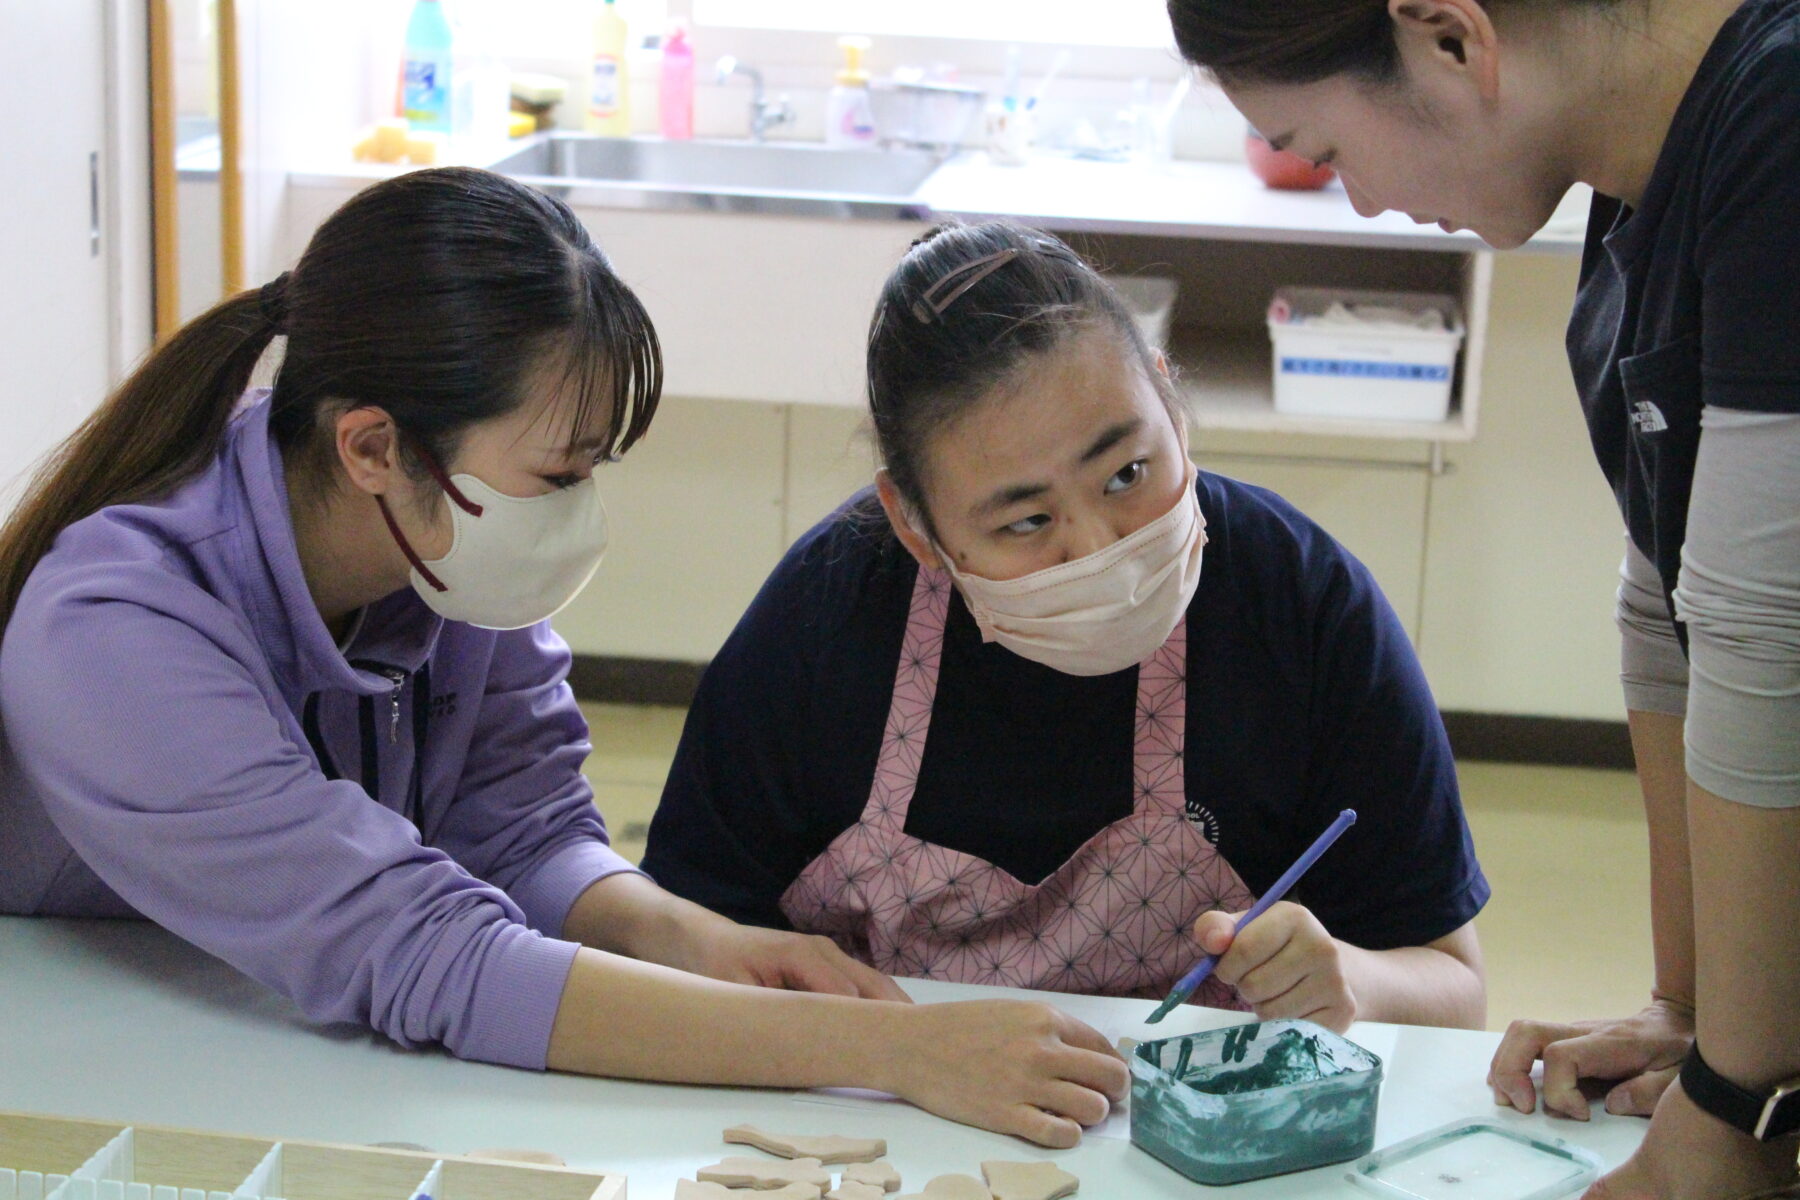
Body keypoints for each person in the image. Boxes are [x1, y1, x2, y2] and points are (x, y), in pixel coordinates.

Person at [0, 168, 1128, 1149]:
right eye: (557, 477)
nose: (581, 515)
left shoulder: (440, 560)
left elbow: (521, 829)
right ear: (374, 448)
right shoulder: (114, 633)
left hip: (246, 1034)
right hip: (70, 1060)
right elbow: (419, 952)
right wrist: (892, 1051)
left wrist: (684, 935)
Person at [1163, 0, 1800, 1194]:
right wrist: (1690, 1011)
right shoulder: (1632, 203)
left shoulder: (1780, 121)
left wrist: (1738, 1104)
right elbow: (1668, 624)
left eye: (1330, 149)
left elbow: (1773, 649)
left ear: (1452, 40)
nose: (1352, 199)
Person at [641, 221, 1489, 1033]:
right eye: (1025, 523)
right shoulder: (829, 614)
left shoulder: (1300, 599)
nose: (1101, 550)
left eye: (1127, 473)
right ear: (913, 524)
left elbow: (1455, 988)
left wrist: (1354, 983)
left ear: (1168, 396)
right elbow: (677, 948)